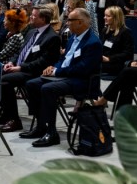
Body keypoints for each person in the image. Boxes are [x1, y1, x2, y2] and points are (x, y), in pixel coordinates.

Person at [21, 8, 102, 147]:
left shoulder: (93, 43)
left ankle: (51, 133)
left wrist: (58, 72)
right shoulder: (73, 37)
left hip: (81, 80)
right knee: (31, 84)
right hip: (65, 75)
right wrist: (53, 67)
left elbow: (83, 69)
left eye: (70, 20)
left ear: (80, 22)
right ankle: (41, 125)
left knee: (48, 89)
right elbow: (63, 58)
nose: (67, 23)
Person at [0, 6, 61, 132]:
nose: (30, 17)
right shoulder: (31, 32)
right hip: (22, 67)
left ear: (43, 19)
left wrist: (20, 67)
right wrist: (11, 62)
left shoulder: (52, 37)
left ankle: (14, 119)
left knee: (5, 80)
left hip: (35, 72)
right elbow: (20, 52)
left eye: (34, 16)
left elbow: (43, 62)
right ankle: (6, 113)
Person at [100, 6, 135, 75]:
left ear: (116, 18)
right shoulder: (105, 30)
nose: (104, 18)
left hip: (116, 63)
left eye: (108, 16)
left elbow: (128, 54)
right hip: (103, 61)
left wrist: (109, 58)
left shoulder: (125, 32)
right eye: (105, 15)